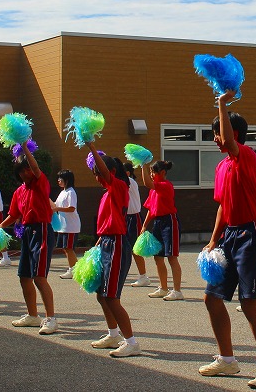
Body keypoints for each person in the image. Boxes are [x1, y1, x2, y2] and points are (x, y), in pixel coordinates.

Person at [199, 89, 256, 389]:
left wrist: (222, 102)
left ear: (233, 133)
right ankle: (227, 359)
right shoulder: (221, 167)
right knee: (211, 298)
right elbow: (222, 205)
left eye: (217, 133)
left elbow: (231, 143)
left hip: (250, 234)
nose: (215, 139)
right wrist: (213, 240)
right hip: (229, 236)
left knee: (249, 304)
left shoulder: (246, 155)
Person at [85, 146, 142, 357]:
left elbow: (106, 173)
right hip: (106, 243)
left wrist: (91, 146)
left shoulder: (119, 186)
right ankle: (113, 334)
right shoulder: (107, 193)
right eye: (95, 174)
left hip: (117, 244)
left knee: (111, 296)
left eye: (99, 173)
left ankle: (131, 342)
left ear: (112, 172)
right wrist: (98, 242)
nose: (97, 178)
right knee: (102, 295)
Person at [0, 146, 57, 334]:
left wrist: (24, 146)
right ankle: (32, 315)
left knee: (39, 277)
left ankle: (51, 319)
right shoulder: (19, 191)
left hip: (42, 230)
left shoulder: (41, 182)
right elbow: (13, 214)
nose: (25, 173)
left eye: (27, 169)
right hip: (27, 232)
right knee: (24, 277)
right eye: (21, 170)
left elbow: (36, 168)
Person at [139, 160, 184, 300]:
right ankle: (163, 288)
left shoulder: (165, 185)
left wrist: (143, 165)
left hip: (169, 222)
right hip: (158, 222)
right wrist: (144, 225)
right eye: (151, 172)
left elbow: (147, 183)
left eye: (153, 172)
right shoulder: (154, 190)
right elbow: (151, 209)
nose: (151, 175)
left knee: (172, 257)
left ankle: (177, 291)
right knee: (158, 257)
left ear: (163, 173)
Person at [124, 161, 151, 287]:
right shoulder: (126, 182)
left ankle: (143, 276)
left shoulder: (130, 182)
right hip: (126, 217)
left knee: (135, 249)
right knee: (125, 248)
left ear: (127, 173)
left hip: (134, 218)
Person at [52, 170, 80, 279]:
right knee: (65, 248)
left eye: (61, 178)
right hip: (63, 226)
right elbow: (55, 205)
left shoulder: (71, 192)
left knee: (68, 248)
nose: (58, 180)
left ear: (67, 180)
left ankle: (73, 270)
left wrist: (57, 209)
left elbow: (71, 208)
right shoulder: (62, 192)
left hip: (71, 226)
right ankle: (75, 269)